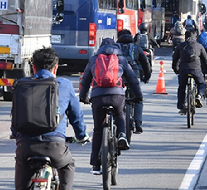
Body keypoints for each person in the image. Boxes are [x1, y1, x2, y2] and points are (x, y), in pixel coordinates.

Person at [13, 47, 89, 190]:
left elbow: (16, 114)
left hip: (26, 147)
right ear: (55, 67)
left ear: (33, 67)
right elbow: (76, 115)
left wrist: (15, 133)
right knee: (68, 164)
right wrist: (81, 135)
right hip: (55, 148)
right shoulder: (65, 85)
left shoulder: (21, 84)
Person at [79, 38, 142, 175]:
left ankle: (95, 165)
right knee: (120, 114)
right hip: (117, 95)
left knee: (97, 130)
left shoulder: (94, 59)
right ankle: (122, 135)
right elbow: (132, 79)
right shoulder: (121, 58)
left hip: (97, 97)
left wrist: (83, 96)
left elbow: (85, 81)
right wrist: (138, 96)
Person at [117, 29, 152, 134]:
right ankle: (138, 123)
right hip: (134, 76)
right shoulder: (136, 47)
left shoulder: (115, 48)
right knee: (138, 99)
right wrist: (147, 77)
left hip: (119, 76)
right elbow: (146, 64)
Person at [172, 30, 207, 115]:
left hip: (183, 70)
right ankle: (199, 96)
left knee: (182, 87)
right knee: (201, 83)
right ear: (195, 37)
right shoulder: (199, 46)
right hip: (196, 69)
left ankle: (182, 107)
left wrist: (176, 69)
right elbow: (206, 60)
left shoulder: (180, 46)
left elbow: (175, 59)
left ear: (185, 37)